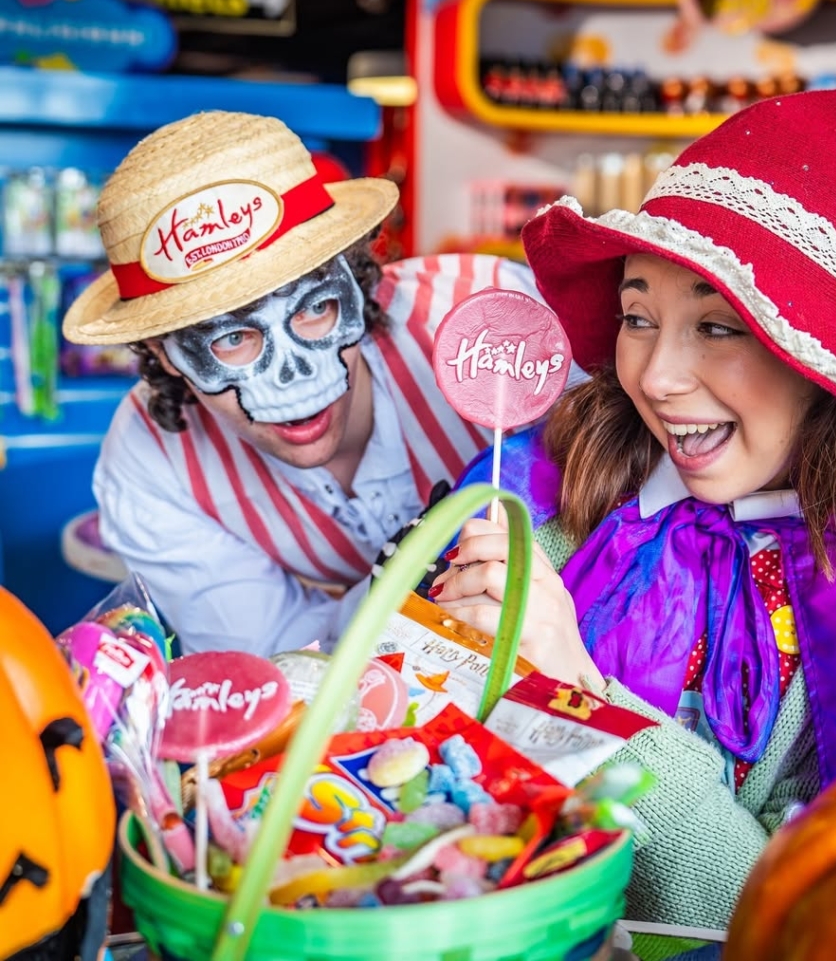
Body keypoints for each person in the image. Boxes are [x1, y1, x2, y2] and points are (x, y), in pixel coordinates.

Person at [426, 89, 836, 930]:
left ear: (820, 366)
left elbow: (813, 926)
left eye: (718, 328)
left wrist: (582, 697)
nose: (657, 377)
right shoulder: (548, 488)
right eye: (639, 316)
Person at [61, 109, 550, 657]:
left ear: (356, 279)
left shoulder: (496, 323)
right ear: (161, 352)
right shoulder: (152, 463)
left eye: (316, 307)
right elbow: (274, 655)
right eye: (230, 339)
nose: (288, 372)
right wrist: (404, 591)